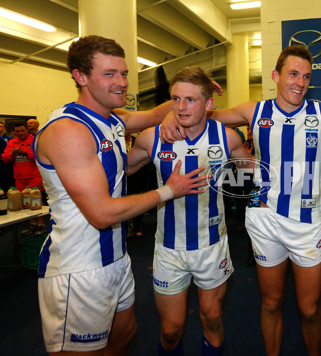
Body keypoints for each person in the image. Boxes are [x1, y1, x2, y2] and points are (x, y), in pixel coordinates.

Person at [179, 45, 321, 356]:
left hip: (308, 225)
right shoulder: (255, 110)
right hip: (266, 220)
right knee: (272, 302)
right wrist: (174, 115)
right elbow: (201, 115)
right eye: (293, 74)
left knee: (309, 308)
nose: (300, 82)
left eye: (306, 76)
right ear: (276, 76)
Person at [33, 35, 208, 355]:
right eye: (109, 74)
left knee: (124, 337)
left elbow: (158, 113)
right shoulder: (69, 131)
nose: (121, 83)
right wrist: (170, 190)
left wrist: (192, 93)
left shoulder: (113, 120)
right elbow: (101, 212)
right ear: (80, 77)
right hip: (80, 268)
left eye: (124, 73)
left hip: (116, 258)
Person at [127, 65, 253, 356]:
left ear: (208, 104)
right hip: (169, 249)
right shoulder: (152, 138)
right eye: (175, 99)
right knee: (170, 331)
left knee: (212, 318)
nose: (181, 107)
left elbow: (254, 174)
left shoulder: (227, 137)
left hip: (211, 245)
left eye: (191, 99)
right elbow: (121, 172)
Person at [1, 122, 46, 234]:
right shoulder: (12, 142)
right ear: (14, 132)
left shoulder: (35, 140)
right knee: (25, 202)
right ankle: (32, 224)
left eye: (22, 131)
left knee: (36, 199)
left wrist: (25, 153)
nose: (20, 133)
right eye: (17, 131)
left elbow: (40, 156)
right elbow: (5, 158)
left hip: (34, 176)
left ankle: (41, 224)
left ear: (27, 130)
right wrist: (12, 155)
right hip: (19, 178)